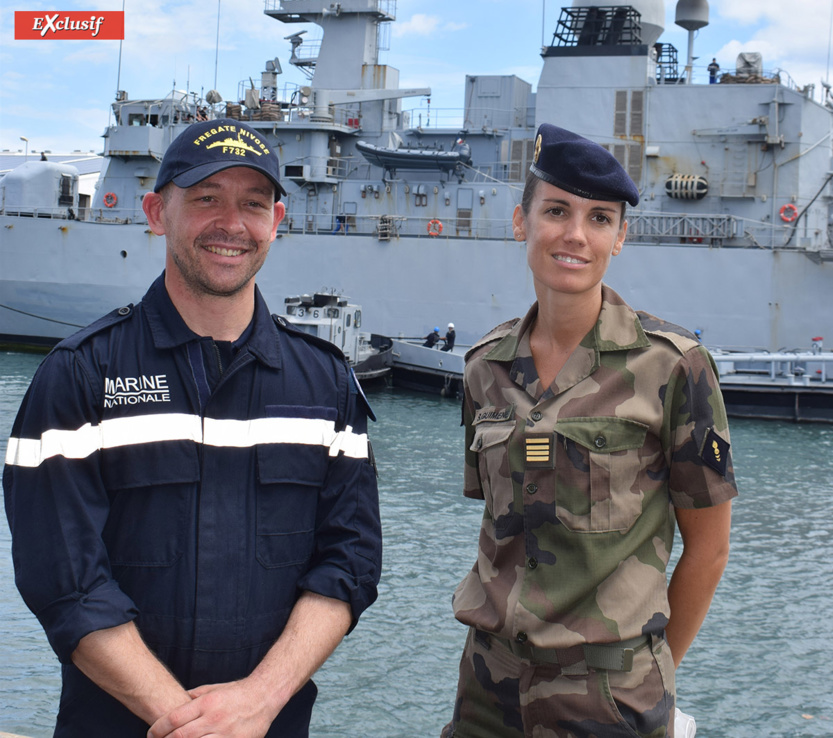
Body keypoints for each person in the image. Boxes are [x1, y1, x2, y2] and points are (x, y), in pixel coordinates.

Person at [3, 118, 382, 737]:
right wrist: (188, 724)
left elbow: (350, 562)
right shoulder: (78, 376)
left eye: (253, 204)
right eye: (206, 198)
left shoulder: (327, 384)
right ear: (157, 213)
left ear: (276, 223)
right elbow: (64, 579)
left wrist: (260, 700)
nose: (231, 224)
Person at [441, 123, 737, 738]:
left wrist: (649, 676)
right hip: (487, 689)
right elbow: (499, 531)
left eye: (600, 218)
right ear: (521, 222)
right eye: (556, 211)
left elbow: (708, 549)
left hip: (611, 694)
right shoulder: (485, 366)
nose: (575, 235)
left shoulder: (672, 365)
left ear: (621, 237)